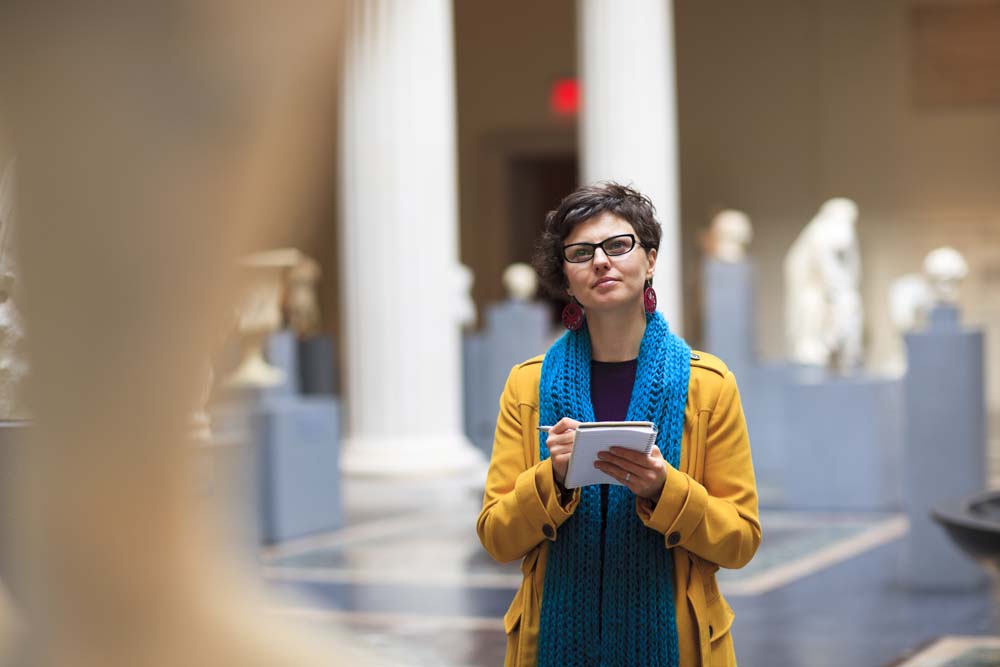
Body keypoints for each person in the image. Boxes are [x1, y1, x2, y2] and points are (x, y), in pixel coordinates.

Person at [477, 183, 760, 667]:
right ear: (566, 277)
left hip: (678, 647)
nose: (601, 261)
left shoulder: (707, 385)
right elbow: (498, 537)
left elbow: (739, 541)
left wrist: (663, 489)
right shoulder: (528, 386)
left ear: (650, 260)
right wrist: (553, 479)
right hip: (552, 645)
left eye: (618, 245)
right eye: (581, 252)